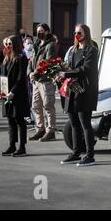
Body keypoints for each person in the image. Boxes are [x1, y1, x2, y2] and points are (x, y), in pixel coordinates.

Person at [59, 24, 99, 167]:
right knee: (74, 124)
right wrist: (60, 74)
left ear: (86, 34)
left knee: (85, 124)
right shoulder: (73, 50)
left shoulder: (91, 50)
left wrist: (67, 73)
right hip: (72, 91)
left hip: (84, 91)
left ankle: (90, 155)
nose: (77, 35)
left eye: (80, 33)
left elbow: (86, 69)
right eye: (75, 32)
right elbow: (68, 66)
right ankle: (76, 153)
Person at [0, 36, 31, 157]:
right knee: (10, 120)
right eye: (6, 43)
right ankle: (12, 145)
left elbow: (20, 78)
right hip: (6, 94)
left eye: (10, 43)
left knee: (19, 120)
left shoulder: (21, 58)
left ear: (15, 44)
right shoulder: (6, 58)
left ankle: (22, 147)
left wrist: (13, 92)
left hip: (17, 95)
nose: (8, 46)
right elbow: (2, 77)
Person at [28, 23, 58, 142]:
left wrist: (35, 73)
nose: (39, 33)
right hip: (36, 81)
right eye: (37, 31)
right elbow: (31, 60)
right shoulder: (36, 44)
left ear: (47, 31)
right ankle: (40, 129)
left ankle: (50, 131)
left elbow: (47, 62)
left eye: (41, 31)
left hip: (45, 81)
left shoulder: (50, 45)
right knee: (36, 105)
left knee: (48, 105)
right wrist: (30, 72)